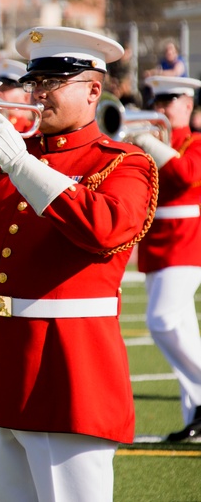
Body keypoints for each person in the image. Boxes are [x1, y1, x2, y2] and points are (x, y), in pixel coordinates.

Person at [0, 26, 157, 501]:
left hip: (69, 368)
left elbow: (104, 230)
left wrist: (17, 160)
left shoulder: (125, 162)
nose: (38, 95)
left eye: (52, 83)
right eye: (34, 83)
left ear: (93, 90)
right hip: (0, 360)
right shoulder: (3, 157)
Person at [128, 75, 201, 442]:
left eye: (169, 100)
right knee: (184, 328)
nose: (160, 107)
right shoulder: (152, 141)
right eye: (158, 100)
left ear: (188, 105)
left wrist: (144, 142)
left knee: (162, 320)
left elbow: (186, 174)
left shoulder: (196, 142)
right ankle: (196, 415)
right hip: (156, 244)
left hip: (187, 243)